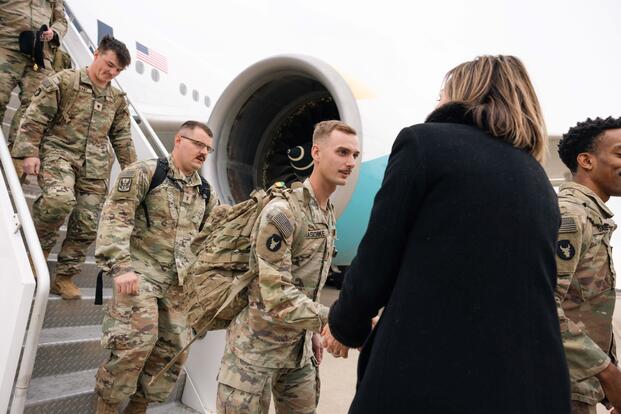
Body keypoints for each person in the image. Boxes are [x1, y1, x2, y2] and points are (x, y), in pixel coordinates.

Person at [323, 55, 571, 413]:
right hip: (524, 382)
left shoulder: (424, 144)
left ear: (464, 93)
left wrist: (346, 325)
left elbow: (378, 256)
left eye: (442, 93)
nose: (437, 101)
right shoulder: (536, 178)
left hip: (429, 375)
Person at [216, 120, 360, 414]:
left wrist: (312, 333)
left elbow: (306, 281)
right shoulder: (282, 212)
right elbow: (277, 294)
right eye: (342, 152)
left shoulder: (326, 212)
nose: (350, 162)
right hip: (255, 352)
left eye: (355, 155)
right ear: (316, 153)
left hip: (297, 352)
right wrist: (333, 320)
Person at [94, 121, 219, 414]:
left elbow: (208, 240)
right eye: (198, 144)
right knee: (135, 343)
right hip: (140, 273)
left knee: (172, 352)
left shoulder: (205, 192)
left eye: (208, 149)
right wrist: (120, 267)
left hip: (179, 284)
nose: (203, 152)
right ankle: (107, 406)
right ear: (179, 140)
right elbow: (116, 217)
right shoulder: (146, 173)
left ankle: (138, 407)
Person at [10, 35, 136, 300]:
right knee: (58, 200)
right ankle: (36, 256)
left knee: (87, 222)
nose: (112, 73)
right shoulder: (64, 81)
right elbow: (35, 117)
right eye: (109, 64)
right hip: (58, 154)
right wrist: (29, 152)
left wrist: (133, 174)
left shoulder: (116, 99)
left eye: (117, 70)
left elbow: (123, 139)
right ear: (96, 54)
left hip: (95, 168)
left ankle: (65, 276)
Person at [555, 116, 621, 414]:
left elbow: (588, 309)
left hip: (580, 387)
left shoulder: (593, 217)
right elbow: (542, 304)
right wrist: (608, 374)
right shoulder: (570, 215)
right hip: (560, 385)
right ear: (586, 161)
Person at [0, 0, 67, 143]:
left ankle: (15, 152)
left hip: (39, 54)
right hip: (7, 46)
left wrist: (54, 32)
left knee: (37, 106)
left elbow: (62, 21)